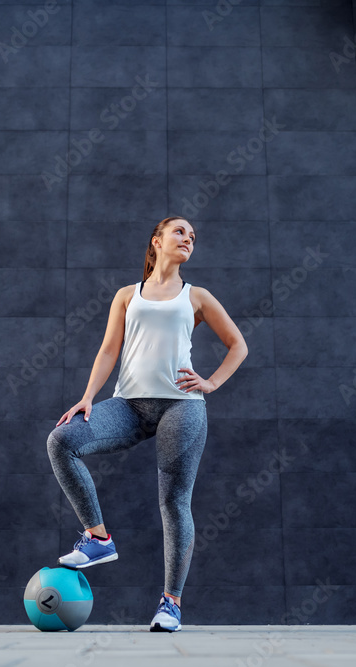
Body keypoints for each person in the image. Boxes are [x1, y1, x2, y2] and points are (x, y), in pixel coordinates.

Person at [46, 216, 248, 632]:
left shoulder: (197, 297)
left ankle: (170, 603)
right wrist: (87, 396)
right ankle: (99, 538)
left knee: (173, 503)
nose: (188, 238)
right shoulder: (127, 295)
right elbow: (108, 351)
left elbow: (238, 345)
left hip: (182, 406)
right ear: (156, 242)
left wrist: (209, 383)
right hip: (130, 405)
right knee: (62, 440)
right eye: (179, 232)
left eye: (193, 235)